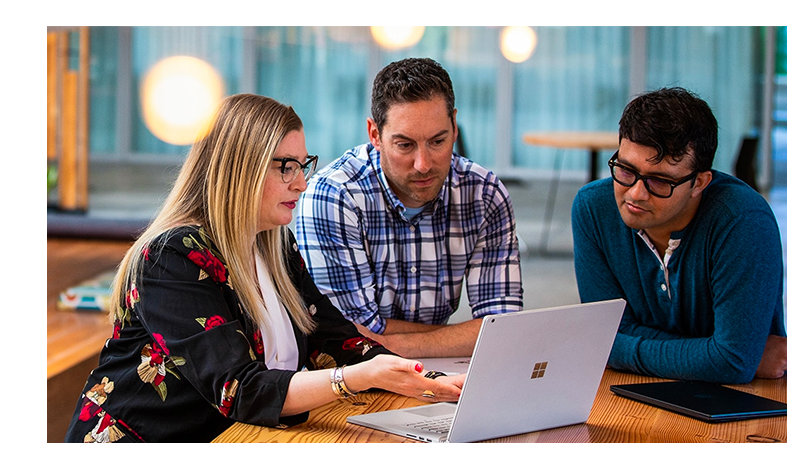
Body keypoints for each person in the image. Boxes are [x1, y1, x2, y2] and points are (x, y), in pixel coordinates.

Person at [64, 94, 464, 443]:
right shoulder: (172, 257)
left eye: (303, 164)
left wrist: (425, 381)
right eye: (285, 167)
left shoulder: (271, 242)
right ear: (239, 170)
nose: (302, 183)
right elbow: (241, 391)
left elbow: (333, 336)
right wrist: (359, 378)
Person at [296, 58, 523, 358]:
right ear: (375, 134)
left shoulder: (484, 194)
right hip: (354, 380)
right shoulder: (334, 197)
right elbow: (350, 339)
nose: (423, 164)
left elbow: (504, 330)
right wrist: (469, 333)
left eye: (438, 141)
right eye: (405, 145)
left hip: (444, 372)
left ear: (455, 126)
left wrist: (394, 341)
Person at [571, 87, 786, 384]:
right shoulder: (593, 208)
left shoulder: (743, 221)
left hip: (741, 404)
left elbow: (733, 362)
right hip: (634, 391)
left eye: (659, 181)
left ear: (699, 182)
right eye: (625, 169)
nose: (635, 193)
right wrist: (709, 352)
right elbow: (601, 337)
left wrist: (616, 348)